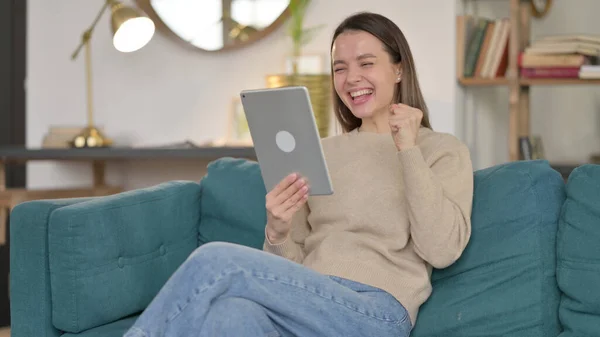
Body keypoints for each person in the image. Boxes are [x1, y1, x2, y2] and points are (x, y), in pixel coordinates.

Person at [123, 11, 473, 337]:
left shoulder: (439, 149)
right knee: (231, 313)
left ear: (398, 69)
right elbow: (291, 268)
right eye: (339, 68)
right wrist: (277, 231)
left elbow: (442, 249)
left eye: (366, 63)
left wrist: (408, 149)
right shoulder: (320, 152)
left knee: (216, 260)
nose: (352, 78)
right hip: (307, 302)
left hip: (375, 312)